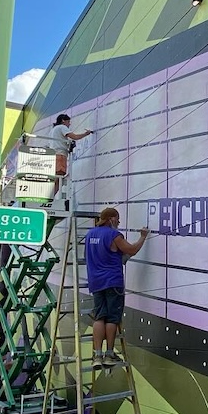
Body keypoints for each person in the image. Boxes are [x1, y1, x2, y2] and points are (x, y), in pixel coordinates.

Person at [84, 207, 148, 367]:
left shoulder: (90, 234)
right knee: (112, 318)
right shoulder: (114, 235)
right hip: (113, 281)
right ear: (111, 218)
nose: (119, 222)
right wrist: (142, 237)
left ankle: (97, 356)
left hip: (95, 282)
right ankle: (109, 354)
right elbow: (131, 250)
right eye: (117, 219)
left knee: (99, 317)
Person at [49, 113, 93, 178]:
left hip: (53, 154)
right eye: (68, 121)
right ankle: (53, 188)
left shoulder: (53, 130)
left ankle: (52, 188)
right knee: (60, 175)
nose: (69, 124)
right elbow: (75, 137)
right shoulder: (62, 127)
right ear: (63, 120)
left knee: (56, 176)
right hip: (60, 154)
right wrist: (86, 134)